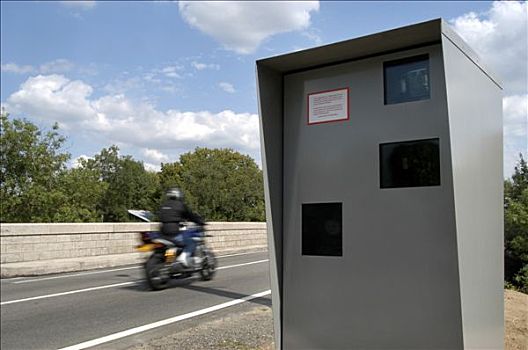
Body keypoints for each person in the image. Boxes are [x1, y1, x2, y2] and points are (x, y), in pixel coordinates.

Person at [159, 187, 205, 267]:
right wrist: (199, 221)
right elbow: (189, 215)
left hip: (163, 233)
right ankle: (183, 258)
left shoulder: (163, 205)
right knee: (191, 242)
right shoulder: (179, 205)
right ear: (178, 195)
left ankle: (169, 262)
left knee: (171, 247)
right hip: (173, 233)